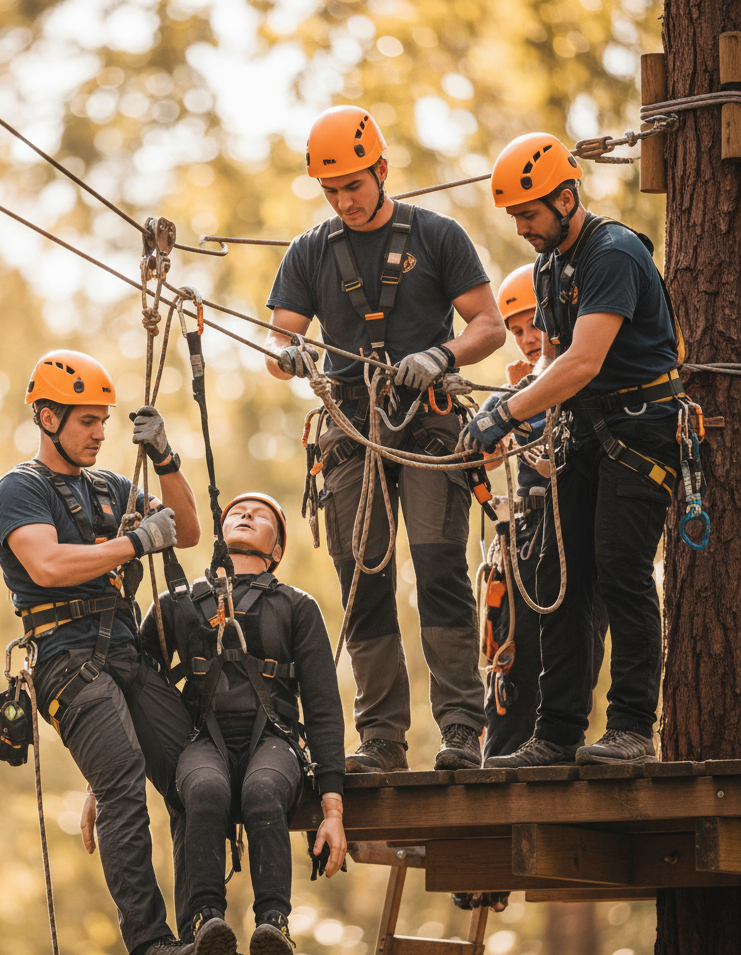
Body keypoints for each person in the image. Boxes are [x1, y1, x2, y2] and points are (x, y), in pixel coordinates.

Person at [264, 105, 506, 772]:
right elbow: (279, 336)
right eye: (331, 190)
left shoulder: (437, 236)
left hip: (427, 425)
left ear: (382, 170)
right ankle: (381, 741)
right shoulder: (311, 251)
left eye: (354, 186)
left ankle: (461, 730)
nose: (344, 200)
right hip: (351, 431)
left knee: (438, 571)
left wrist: (443, 356)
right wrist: (288, 355)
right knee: (364, 580)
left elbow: (490, 325)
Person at [460, 132, 683, 768]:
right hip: (585, 432)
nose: (522, 227)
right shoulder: (552, 266)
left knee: (620, 570)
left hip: (641, 431)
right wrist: (507, 409)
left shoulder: (611, 254)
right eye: (515, 217)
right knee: (563, 578)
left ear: (566, 196)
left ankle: (633, 729)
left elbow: (585, 361)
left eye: (529, 214)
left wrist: (507, 412)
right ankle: (556, 734)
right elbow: (554, 361)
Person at [0, 349, 202, 955]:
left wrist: (165, 460)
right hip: (67, 659)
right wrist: (135, 542)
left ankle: (203, 923)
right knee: (122, 786)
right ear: (47, 418)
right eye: (86, 421)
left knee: (197, 771)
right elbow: (49, 567)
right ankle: (152, 949)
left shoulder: (110, 487)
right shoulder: (19, 489)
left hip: (124, 654)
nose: (99, 433)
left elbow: (187, 530)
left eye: (104, 421)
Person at [139, 493, 346, 955]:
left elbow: (323, 707)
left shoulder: (296, 607)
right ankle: (206, 931)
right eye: (235, 511)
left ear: (276, 550)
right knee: (205, 790)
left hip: (272, 740)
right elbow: (128, 691)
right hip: (199, 739)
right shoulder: (177, 606)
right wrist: (101, 781)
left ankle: (273, 926)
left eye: (263, 515)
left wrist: (333, 805)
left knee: (261, 791)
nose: (246, 514)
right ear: (216, 534)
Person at [479, 266, 608, 762]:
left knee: (576, 650)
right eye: (515, 331)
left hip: (577, 536)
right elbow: (487, 464)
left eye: (533, 323)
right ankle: (501, 759)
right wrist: (509, 408)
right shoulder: (509, 402)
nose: (526, 338)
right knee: (513, 656)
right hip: (525, 541)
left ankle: (557, 744)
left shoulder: (589, 384)